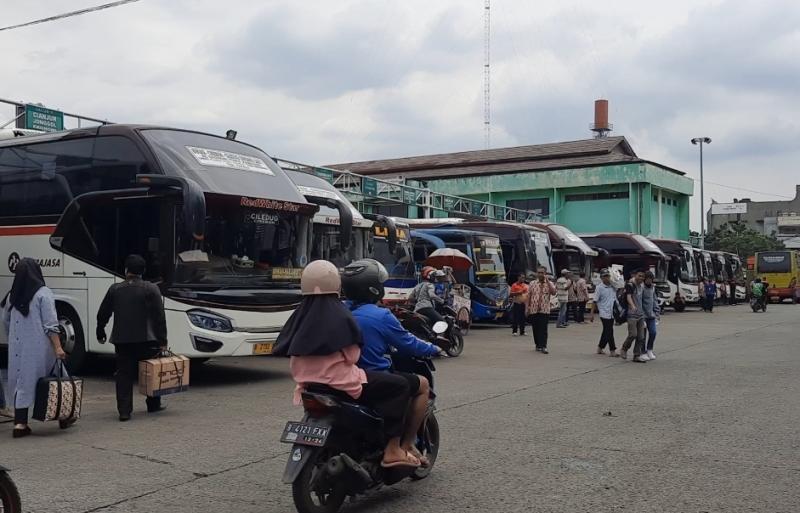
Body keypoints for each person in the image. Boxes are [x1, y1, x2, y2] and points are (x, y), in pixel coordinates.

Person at [274, 260, 419, 469]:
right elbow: (352, 356)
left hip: (308, 384)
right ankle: (393, 449)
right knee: (400, 386)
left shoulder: (299, 314)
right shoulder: (339, 313)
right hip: (341, 382)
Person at [341, 259, 442, 466]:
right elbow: (408, 343)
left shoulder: (339, 310)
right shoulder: (381, 315)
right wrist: (434, 348)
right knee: (421, 384)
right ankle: (402, 446)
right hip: (372, 378)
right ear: (374, 288)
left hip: (338, 377)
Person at [2, 258, 69, 438]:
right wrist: (58, 347)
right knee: (57, 377)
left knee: (21, 381)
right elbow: (50, 324)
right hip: (40, 347)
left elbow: (5, 321)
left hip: (18, 347)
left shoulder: (11, 295)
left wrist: (14, 337)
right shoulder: (43, 293)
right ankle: (64, 415)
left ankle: (20, 424)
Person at [97, 254, 168, 422]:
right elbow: (159, 317)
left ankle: (124, 411)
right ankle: (153, 403)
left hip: (122, 340)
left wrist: (100, 329)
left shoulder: (115, 289)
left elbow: (103, 313)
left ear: (126, 270)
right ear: (143, 271)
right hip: (147, 339)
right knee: (150, 372)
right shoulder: (151, 288)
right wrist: (163, 340)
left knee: (123, 374)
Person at [526, 266, 556, 354]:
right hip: (534, 309)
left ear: (545, 273)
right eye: (538, 272)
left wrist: (548, 282)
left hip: (544, 309)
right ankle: (538, 344)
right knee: (535, 328)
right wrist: (527, 307)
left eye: (542, 273)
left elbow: (554, 292)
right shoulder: (532, 283)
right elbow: (529, 296)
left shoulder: (549, 283)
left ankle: (544, 346)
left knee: (543, 328)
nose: (540, 274)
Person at [620, 270, 648, 362]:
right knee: (633, 334)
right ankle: (624, 348)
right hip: (632, 314)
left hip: (640, 315)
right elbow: (628, 297)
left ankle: (636, 355)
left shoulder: (642, 286)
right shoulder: (630, 285)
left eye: (643, 276)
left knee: (641, 337)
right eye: (639, 276)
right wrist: (632, 306)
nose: (641, 278)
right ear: (635, 275)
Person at [591, 268, 619, 357]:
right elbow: (594, 301)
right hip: (604, 312)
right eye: (604, 276)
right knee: (609, 331)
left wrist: (613, 282)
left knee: (606, 331)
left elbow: (620, 288)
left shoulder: (613, 286)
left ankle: (600, 347)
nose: (606, 278)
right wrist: (591, 314)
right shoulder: (599, 288)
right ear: (601, 278)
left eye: (608, 276)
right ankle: (612, 350)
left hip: (612, 312)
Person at [642, 271, 660, 361]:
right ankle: (643, 352)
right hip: (643, 316)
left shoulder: (653, 288)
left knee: (653, 333)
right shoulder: (641, 288)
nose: (649, 281)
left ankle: (650, 349)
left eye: (650, 279)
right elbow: (639, 302)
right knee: (643, 336)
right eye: (647, 279)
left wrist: (657, 313)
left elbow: (655, 301)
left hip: (651, 315)